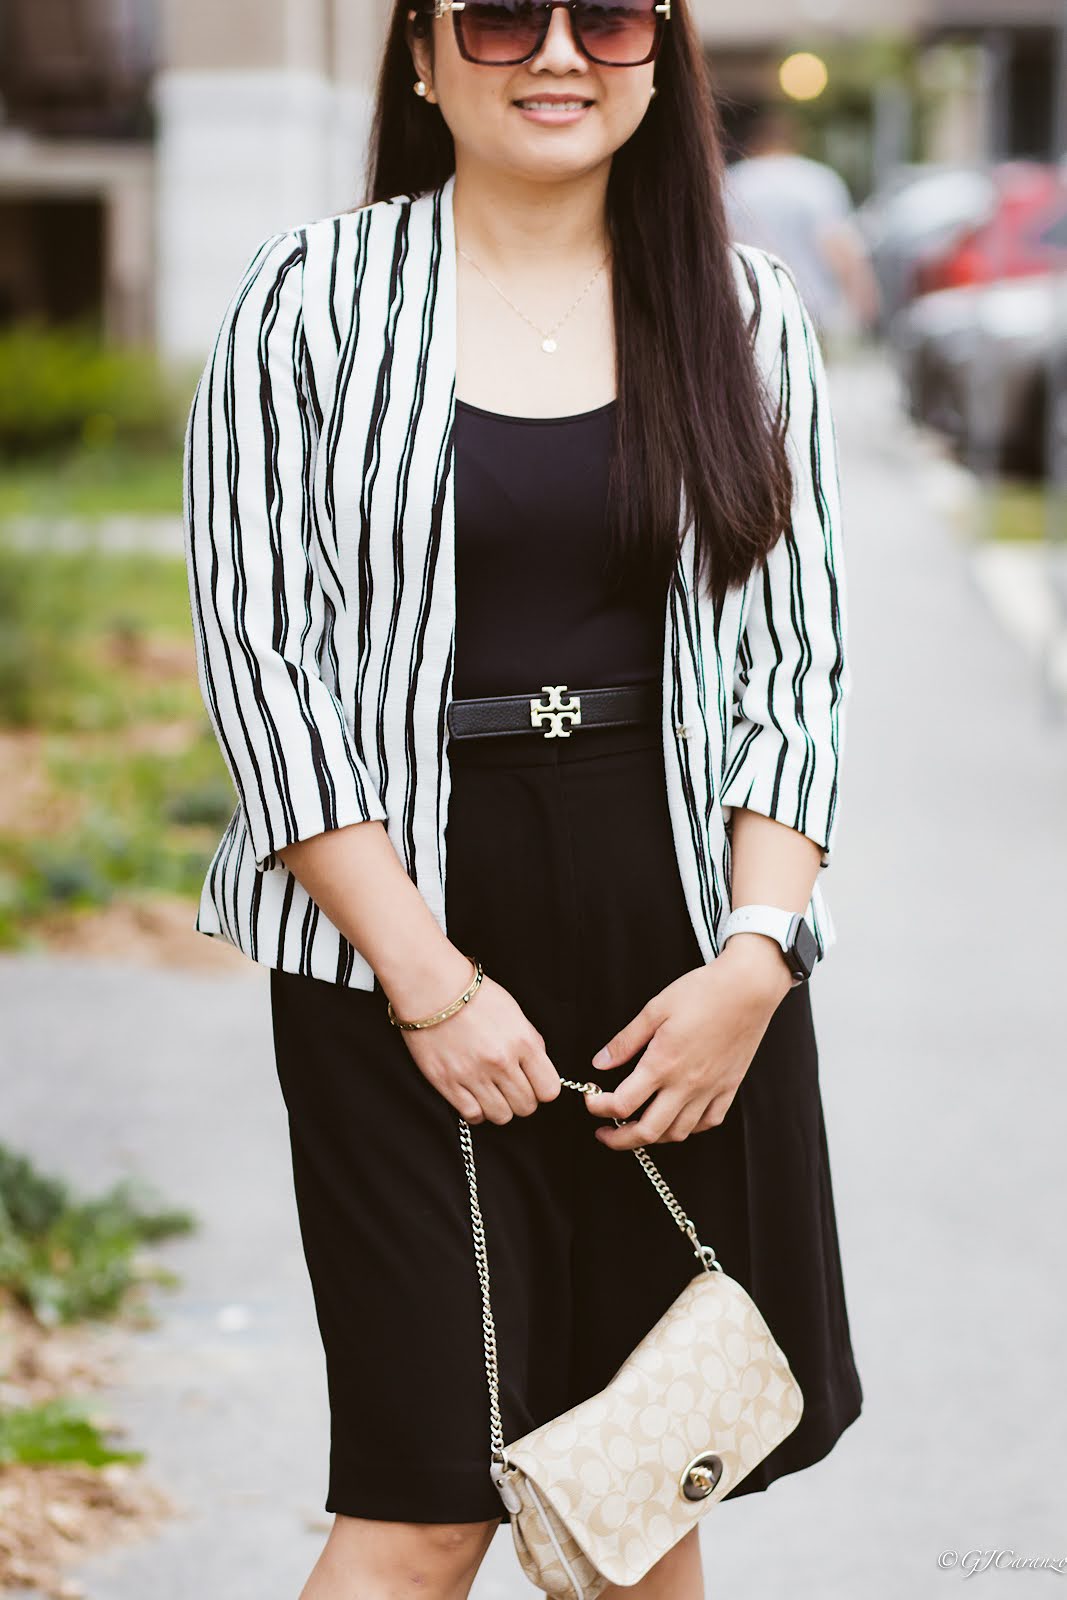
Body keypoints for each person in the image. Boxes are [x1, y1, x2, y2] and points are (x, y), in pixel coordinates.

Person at [181, 1, 863, 1594]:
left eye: (606, 14)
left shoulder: (745, 314)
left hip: (675, 953)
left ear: (658, 52)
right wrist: (425, 986)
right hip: (393, 937)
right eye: (498, 17)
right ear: (419, 57)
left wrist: (753, 968)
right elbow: (262, 662)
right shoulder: (307, 304)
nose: (555, 53)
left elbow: (794, 673)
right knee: (424, 1508)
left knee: (632, 1493)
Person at [724, 104, 881, 339]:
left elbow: (724, 241)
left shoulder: (734, 182)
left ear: (755, 145)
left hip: (748, 305)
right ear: (794, 143)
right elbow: (839, 248)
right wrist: (864, 301)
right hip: (809, 308)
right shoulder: (818, 181)